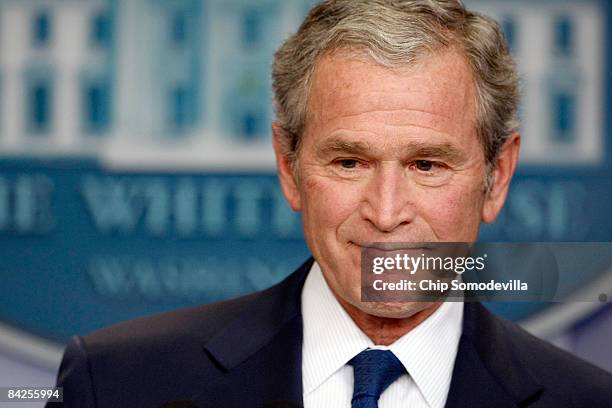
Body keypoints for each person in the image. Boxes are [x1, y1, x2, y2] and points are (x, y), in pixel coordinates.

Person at [48, 1, 612, 407]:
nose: (387, 212)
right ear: (289, 168)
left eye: (427, 165)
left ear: (496, 177)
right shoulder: (117, 384)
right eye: (350, 163)